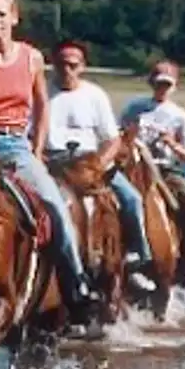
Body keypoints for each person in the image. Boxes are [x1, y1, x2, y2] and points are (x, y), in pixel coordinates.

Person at [0, 0, 103, 325]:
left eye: (1, 14)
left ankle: (76, 282)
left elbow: (41, 105)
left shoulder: (31, 58)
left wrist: (36, 147)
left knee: (55, 204)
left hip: (15, 145)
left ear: (14, 17)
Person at [44, 38, 151, 266]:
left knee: (132, 199)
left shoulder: (95, 95)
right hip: (54, 164)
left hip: (91, 162)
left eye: (73, 65)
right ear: (53, 64)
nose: (67, 70)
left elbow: (112, 139)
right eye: (61, 64)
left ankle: (138, 254)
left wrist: (98, 165)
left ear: (82, 67)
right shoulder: (41, 93)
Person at [119, 59, 185, 279]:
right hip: (134, 168)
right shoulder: (135, 108)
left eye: (167, 85)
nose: (162, 89)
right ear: (151, 83)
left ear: (175, 86)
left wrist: (173, 144)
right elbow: (117, 136)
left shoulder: (180, 115)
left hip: (165, 169)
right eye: (159, 84)